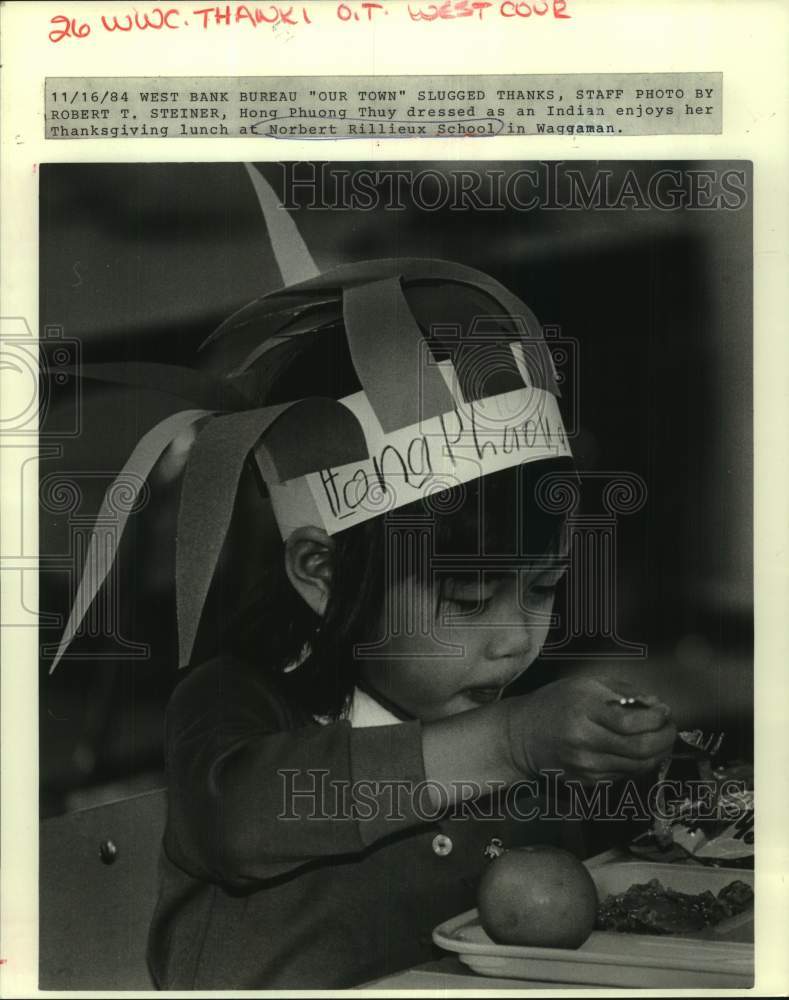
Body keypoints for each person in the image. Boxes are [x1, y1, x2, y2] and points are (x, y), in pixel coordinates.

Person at [139, 239, 676, 987]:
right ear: (322, 575)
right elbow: (240, 820)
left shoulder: (496, 715)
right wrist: (512, 742)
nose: (515, 640)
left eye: (544, 587)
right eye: (465, 599)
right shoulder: (236, 699)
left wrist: (629, 767)